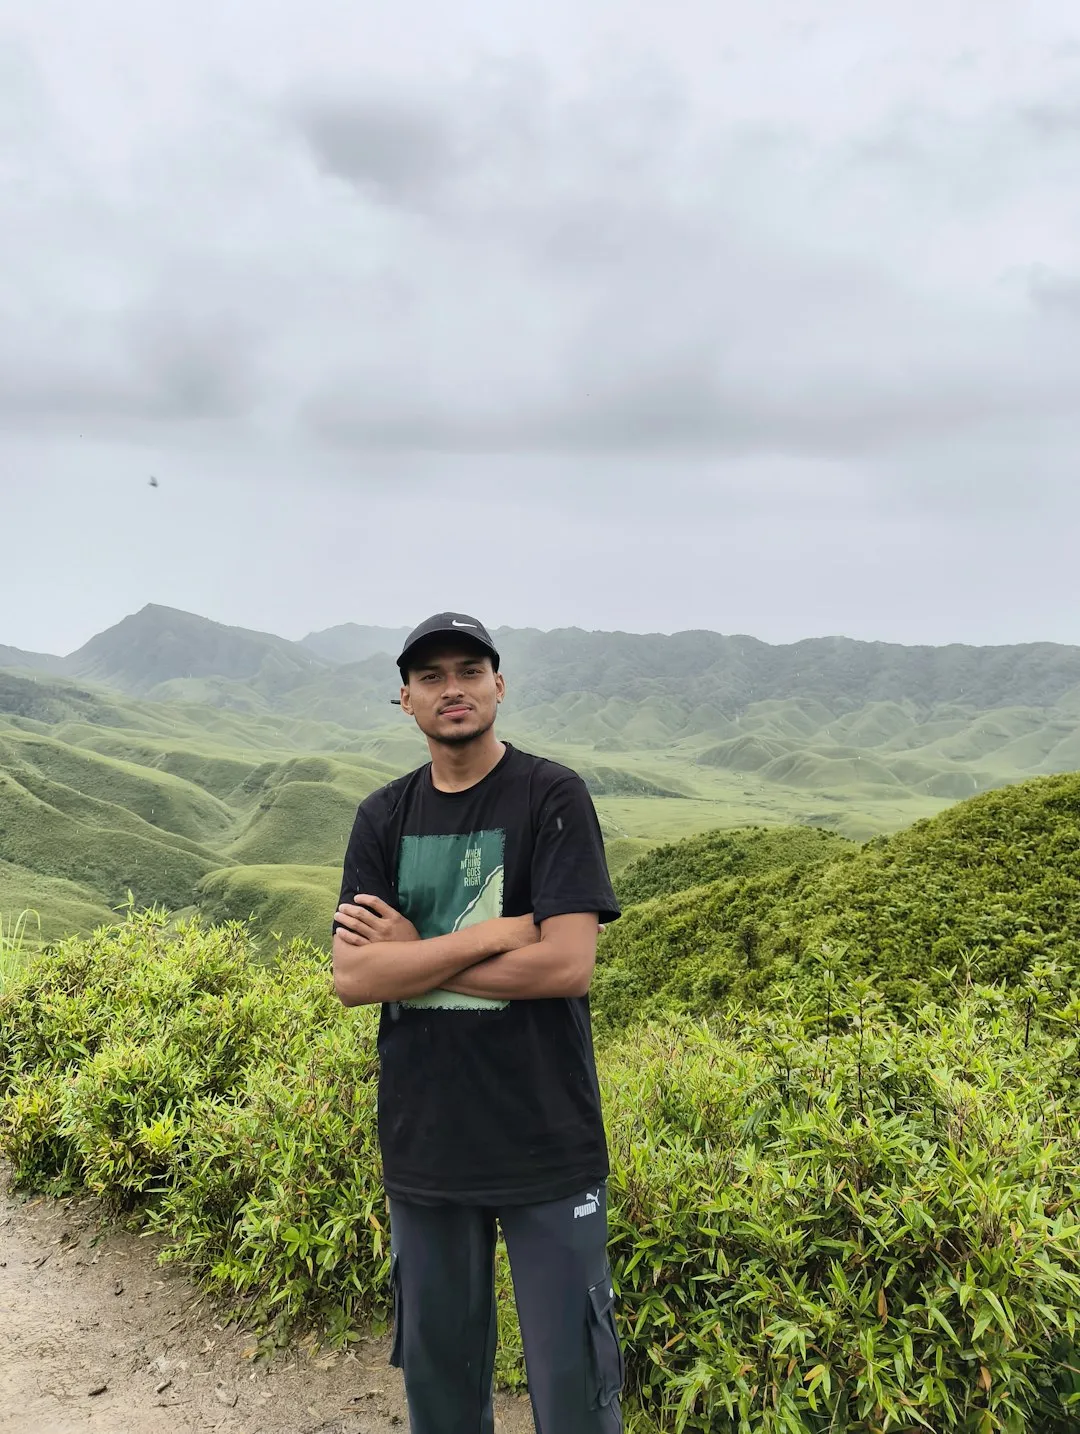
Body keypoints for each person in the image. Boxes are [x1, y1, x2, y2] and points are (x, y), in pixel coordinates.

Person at [332, 611, 623, 1434]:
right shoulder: (383, 816)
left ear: (499, 684)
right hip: (427, 1143)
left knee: (575, 1389)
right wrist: (497, 934)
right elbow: (355, 977)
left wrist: (414, 956)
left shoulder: (551, 795)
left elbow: (566, 966)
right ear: (405, 699)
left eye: (468, 671)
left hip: (547, 1141)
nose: (451, 689)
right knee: (441, 1388)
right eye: (430, 676)